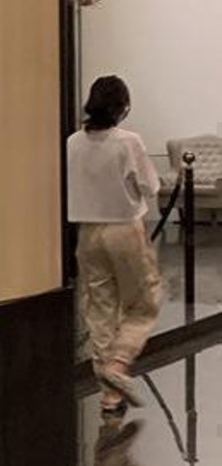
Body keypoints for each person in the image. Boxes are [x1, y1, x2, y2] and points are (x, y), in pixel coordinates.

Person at [67, 75, 164, 415]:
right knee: (144, 303)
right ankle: (119, 364)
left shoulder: (73, 142)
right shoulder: (128, 141)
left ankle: (110, 396)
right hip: (124, 229)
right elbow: (150, 186)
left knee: (100, 309)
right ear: (122, 107)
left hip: (87, 233)